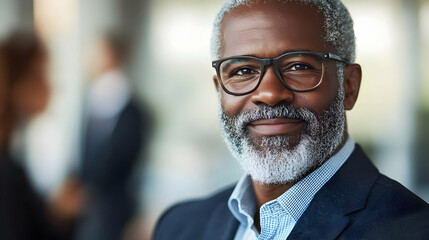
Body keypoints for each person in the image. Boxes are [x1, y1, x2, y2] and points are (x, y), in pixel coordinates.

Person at [153, 0, 429, 239]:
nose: (270, 94)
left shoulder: (414, 230)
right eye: (243, 71)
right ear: (219, 90)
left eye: (299, 66)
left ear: (349, 86)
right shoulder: (179, 226)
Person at [72, 33, 153, 240]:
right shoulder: (91, 99)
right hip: (88, 207)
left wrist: (93, 189)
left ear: (112, 56)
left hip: (115, 207)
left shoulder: (134, 110)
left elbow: (125, 157)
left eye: (96, 53)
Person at [0, 32, 72, 240]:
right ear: (18, 86)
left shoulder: (13, 155)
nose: (52, 87)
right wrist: (58, 216)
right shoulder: (8, 173)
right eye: (44, 75)